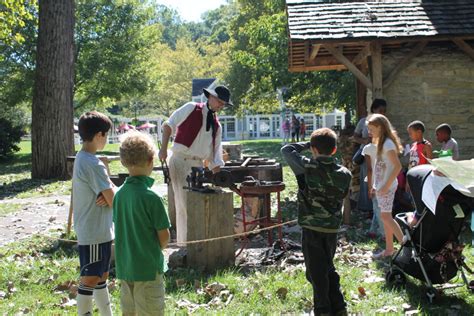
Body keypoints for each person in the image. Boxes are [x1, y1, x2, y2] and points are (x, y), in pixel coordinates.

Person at [281, 128, 352, 316]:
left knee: (315, 272)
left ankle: (323, 310)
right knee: (327, 266)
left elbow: (286, 150)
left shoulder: (306, 167)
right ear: (335, 150)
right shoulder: (345, 173)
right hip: (331, 229)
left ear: (313, 149)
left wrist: (307, 145)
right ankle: (338, 306)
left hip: (311, 227)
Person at [159, 85, 232, 243]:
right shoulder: (191, 108)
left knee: (196, 203)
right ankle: (185, 244)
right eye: (219, 101)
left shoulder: (216, 125)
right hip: (180, 159)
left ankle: (196, 242)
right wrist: (163, 149)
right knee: (184, 204)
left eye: (223, 104)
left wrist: (218, 180)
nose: (220, 105)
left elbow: (215, 154)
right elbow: (168, 125)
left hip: (198, 164)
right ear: (210, 97)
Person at [113, 131, 171, 316]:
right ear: (150, 161)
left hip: (125, 269)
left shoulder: (119, 195)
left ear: (123, 162)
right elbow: (164, 237)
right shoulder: (152, 197)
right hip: (148, 270)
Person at [73, 111, 115, 316]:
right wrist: (109, 195)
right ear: (99, 135)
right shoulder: (93, 163)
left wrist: (107, 195)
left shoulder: (83, 157)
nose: (106, 139)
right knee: (90, 278)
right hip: (94, 231)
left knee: (102, 275)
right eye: (106, 135)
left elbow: (108, 195)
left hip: (98, 230)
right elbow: (113, 198)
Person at [366, 114, 405, 259]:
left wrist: (385, 186)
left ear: (380, 127)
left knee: (386, 217)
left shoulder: (388, 144)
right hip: (382, 186)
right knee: (385, 217)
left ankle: (406, 246)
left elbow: (397, 166)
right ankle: (389, 249)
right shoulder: (380, 143)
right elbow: (379, 167)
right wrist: (375, 185)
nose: (369, 132)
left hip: (387, 187)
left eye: (371, 129)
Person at [353, 99, 387, 212]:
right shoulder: (363, 121)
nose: (382, 113)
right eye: (380, 110)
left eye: (384, 111)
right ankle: (366, 208)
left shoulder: (385, 123)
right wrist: (365, 141)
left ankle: (378, 208)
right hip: (366, 155)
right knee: (367, 181)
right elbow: (355, 137)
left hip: (380, 155)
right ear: (374, 109)